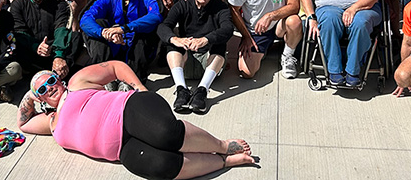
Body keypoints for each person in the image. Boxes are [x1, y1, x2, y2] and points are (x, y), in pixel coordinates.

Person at [16, 65, 255, 179]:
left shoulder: (78, 83)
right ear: (41, 98)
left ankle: (222, 146)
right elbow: (24, 124)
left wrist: (139, 88)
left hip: (128, 110)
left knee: (166, 135)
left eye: (53, 80)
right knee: (163, 167)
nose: (51, 88)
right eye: (43, 89)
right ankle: (224, 162)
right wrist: (29, 96)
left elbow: (114, 67)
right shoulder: (51, 122)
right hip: (122, 150)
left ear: (60, 79)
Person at [157, 0, 234, 114]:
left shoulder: (221, 7)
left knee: (220, 42)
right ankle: (181, 89)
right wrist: (177, 39)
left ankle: (202, 91)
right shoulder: (182, 5)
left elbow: (228, 28)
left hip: (209, 64)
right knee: (172, 43)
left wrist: (205, 40)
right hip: (185, 63)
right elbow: (163, 27)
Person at [79, 0, 164, 81]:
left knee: (146, 30)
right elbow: (85, 19)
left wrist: (124, 29)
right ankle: (103, 77)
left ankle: (134, 80)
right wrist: (105, 33)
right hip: (114, 47)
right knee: (97, 24)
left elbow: (156, 16)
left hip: (138, 52)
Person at [11, 0, 79, 76]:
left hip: (54, 50)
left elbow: (61, 29)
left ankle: (61, 71)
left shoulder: (59, 2)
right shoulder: (18, 5)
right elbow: (19, 32)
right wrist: (36, 47)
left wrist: (58, 56)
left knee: (76, 37)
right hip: (30, 51)